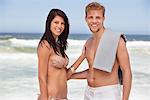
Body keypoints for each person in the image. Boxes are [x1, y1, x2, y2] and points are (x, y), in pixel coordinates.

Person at [68, 2, 132, 100]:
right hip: (89, 93)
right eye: (90, 17)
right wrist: (71, 76)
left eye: (98, 17)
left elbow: (126, 71)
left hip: (108, 93)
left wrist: (125, 99)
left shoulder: (116, 39)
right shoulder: (88, 42)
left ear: (103, 18)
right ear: (86, 19)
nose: (94, 21)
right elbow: (92, 71)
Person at [37, 8, 69, 100]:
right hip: (50, 97)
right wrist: (44, 97)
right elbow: (41, 76)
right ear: (49, 23)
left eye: (62, 23)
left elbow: (65, 75)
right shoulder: (45, 45)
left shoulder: (58, 46)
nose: (59, 26)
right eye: (56, 22)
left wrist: (82, 56)